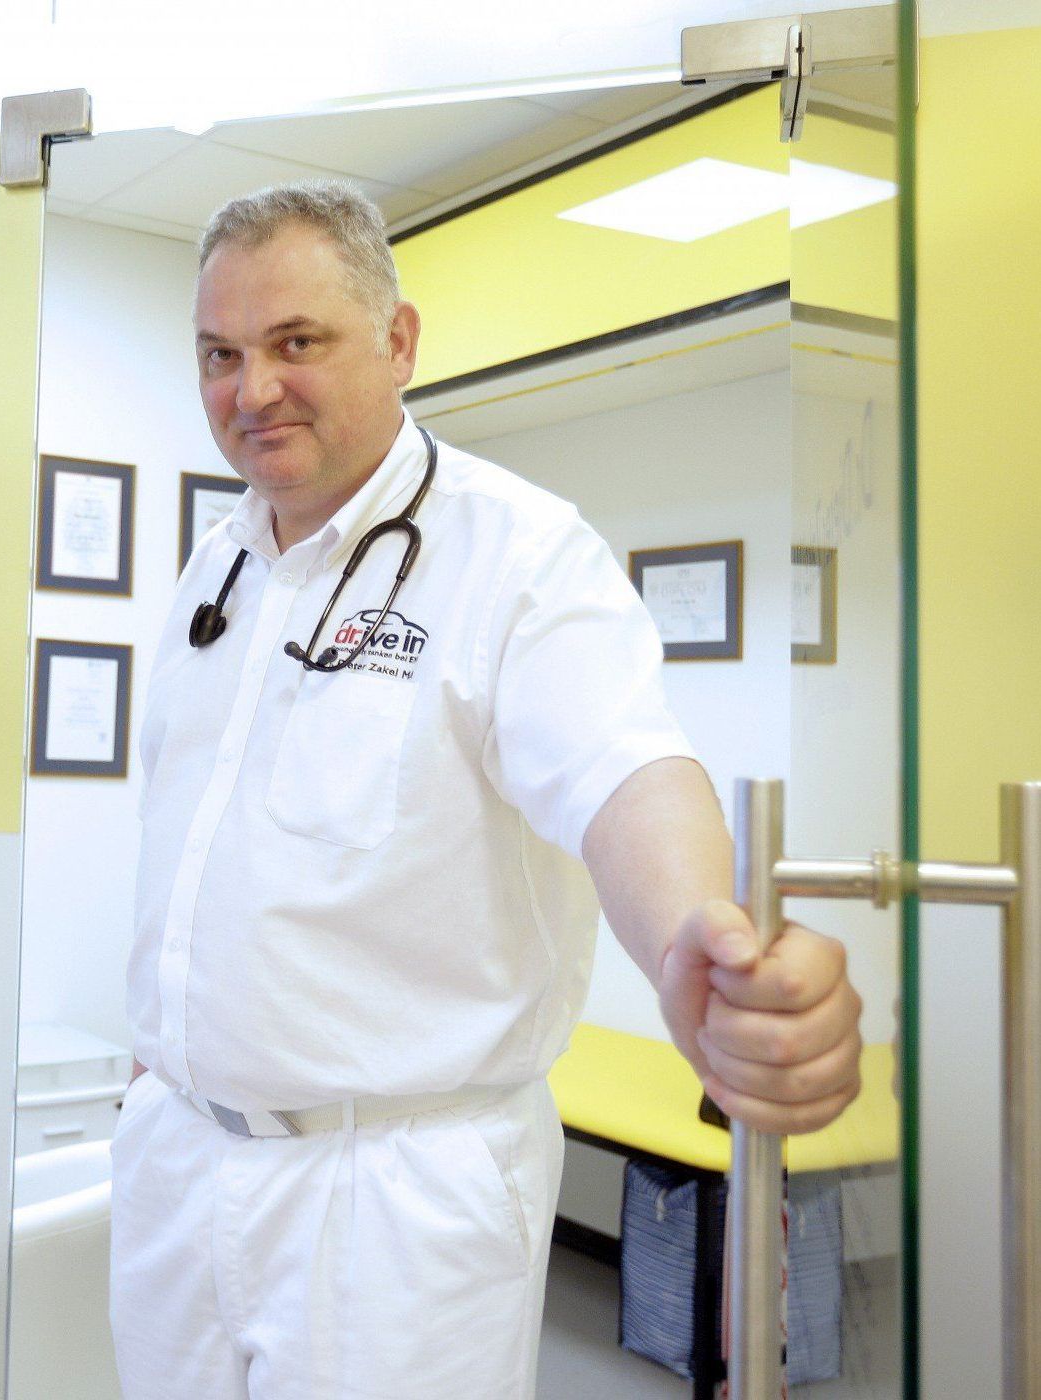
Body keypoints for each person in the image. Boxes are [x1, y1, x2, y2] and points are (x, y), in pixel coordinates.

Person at [108, 181, 864, 1398]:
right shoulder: (221, 560)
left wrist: (693, 939)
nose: (253, 390)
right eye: (221, 354)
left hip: (391, 1194)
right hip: (179, 1160)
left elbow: (621, 770)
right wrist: (167, 1053)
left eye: (297, 342)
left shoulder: (519, 554)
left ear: (399, 342)